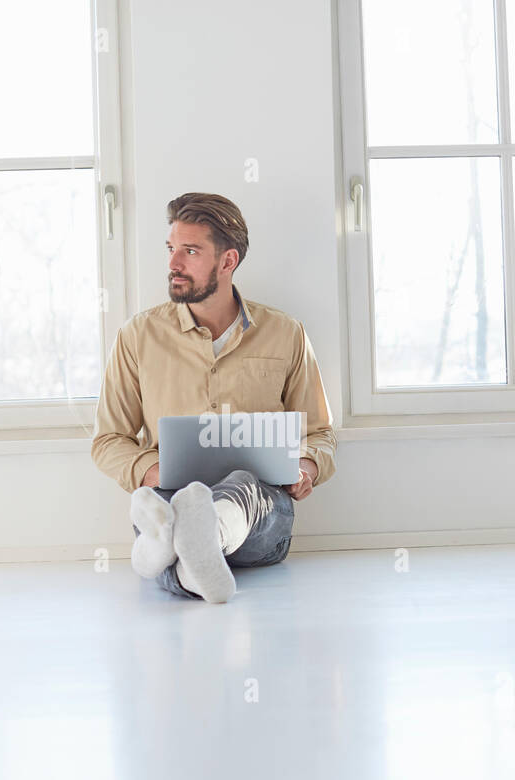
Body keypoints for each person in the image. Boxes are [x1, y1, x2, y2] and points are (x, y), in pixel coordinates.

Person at [90, 193, 337, 603]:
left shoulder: (286, 333)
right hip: (171, 493)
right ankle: (191, 566)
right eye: (171, 249)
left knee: (239, 484)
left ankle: (176, 543)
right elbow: (108, 440)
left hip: (261, 511)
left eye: (190, 251)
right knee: (165, 503)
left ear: (227, 262)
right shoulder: (137, 337)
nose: (173, 264)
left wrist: (307, 465)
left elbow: (319, 431)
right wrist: (156, 472)